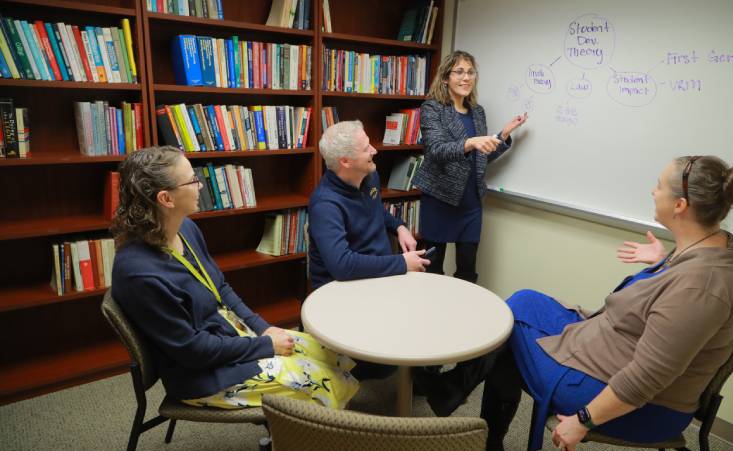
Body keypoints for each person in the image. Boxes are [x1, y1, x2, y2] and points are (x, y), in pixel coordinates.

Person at [427, 155, 733, 451]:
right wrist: (662, 262)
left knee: (511, 332)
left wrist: (583, 421)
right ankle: (473, 424)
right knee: (524, 301)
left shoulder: (700, 287)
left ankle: (469, 417)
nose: (653, 192)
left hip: (643, 406)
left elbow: (647, 378)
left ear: (680, 206)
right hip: (612, 350)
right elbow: (678, 299)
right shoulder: (708, 247)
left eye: (658, 186)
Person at [110, 146, 358, 410]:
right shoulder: (139, 274)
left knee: (334, 352)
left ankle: (316, 428)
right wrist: (264, 346)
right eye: (192, 180)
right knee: (324, 379)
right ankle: (314, 443)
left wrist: (263, 328)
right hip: (205, 374)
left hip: (232, 336)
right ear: (166, 199)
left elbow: (220, 288)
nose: (200, 187)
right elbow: (192, 351)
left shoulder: (185, 228)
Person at [308, 120, 429, 379]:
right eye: (366, 148)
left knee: (425, 317)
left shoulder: (368, 175)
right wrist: (402, 264)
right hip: (343, 290)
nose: (374, 150)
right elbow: (342, 265)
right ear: (345, 161)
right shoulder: (325, 204)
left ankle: (423, 382)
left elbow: (375, 211)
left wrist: (399, 227)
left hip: (376, 276)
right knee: (389, 363)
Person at [412, 50, 527, 283]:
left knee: (467, 271)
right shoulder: (432, 108)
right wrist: (470, 142)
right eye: (459, 72)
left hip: (471, 203)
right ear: (446, 77)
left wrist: (503, 135)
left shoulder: (477, 111)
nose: (466, 78)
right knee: (432, 271)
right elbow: (436, 150)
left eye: (471, 72)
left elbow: (480, 157)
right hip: (440, 199)